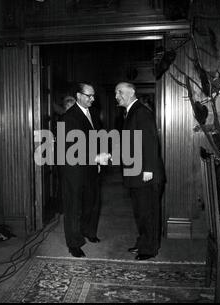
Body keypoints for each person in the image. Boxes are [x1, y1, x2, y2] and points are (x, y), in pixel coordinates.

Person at [115, 82, 166, 261]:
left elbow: (150, 141)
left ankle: (149, 249)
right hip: (136, 172)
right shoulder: (131, 112)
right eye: (116, 93)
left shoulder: (141, 112)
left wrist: (148, 170)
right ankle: (143, 242)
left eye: (119, 92)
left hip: (146, 174)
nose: (116, 96)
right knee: (141, 212)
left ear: (132, 92)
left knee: (149, 213)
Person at [60, 83, 110, 258]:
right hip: (74, 169)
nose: (92, 99)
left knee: (92, 201)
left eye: (93, 96)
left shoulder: (93, 114)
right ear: (79, 95)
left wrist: (99, 155)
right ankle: (73, 243)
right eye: (89, 96)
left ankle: (88, 231)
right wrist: (96, 158)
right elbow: (71, 149)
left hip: (90, 168)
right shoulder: (69, 117)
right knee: (74, 206)